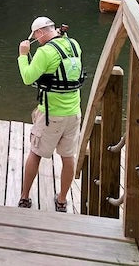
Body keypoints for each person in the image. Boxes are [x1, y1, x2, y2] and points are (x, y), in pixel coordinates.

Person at [17, 16, 85, 213]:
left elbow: (28, 78)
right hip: (74, 113)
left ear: (39, 33)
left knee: (35, 153)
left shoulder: (45, 52)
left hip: (51, 114)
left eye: (35, 36)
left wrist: (23, 55)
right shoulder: (74, 45)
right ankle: (62, 200)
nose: (35, 40)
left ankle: (24, 197)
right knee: (68, 156)